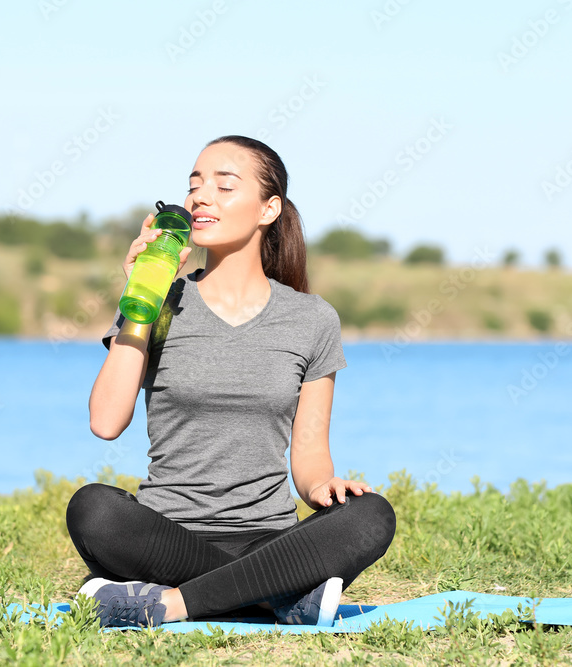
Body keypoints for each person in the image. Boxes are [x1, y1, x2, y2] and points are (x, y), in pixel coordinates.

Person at [65, 135, 397, 628]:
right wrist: (140, 296)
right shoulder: (157, 301)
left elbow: (308, 459)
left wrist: (327, 487)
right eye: (195, 185)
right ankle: (276, 596)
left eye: (224, 186)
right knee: (93, 508)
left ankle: (172, 603)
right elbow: (106, 422)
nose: (201, 197)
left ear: (269, 209)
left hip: (270, 538)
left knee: (372, 515)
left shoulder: (312, 320)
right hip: (166, 537)